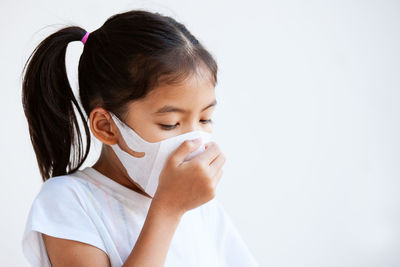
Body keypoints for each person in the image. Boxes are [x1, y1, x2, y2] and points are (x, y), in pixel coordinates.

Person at [21, 9, 259, 267]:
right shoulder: (68, 201)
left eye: (204, 119)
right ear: (106, 127)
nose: (194, 141)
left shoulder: (200, 206)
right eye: (170, 124)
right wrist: (167, 209)